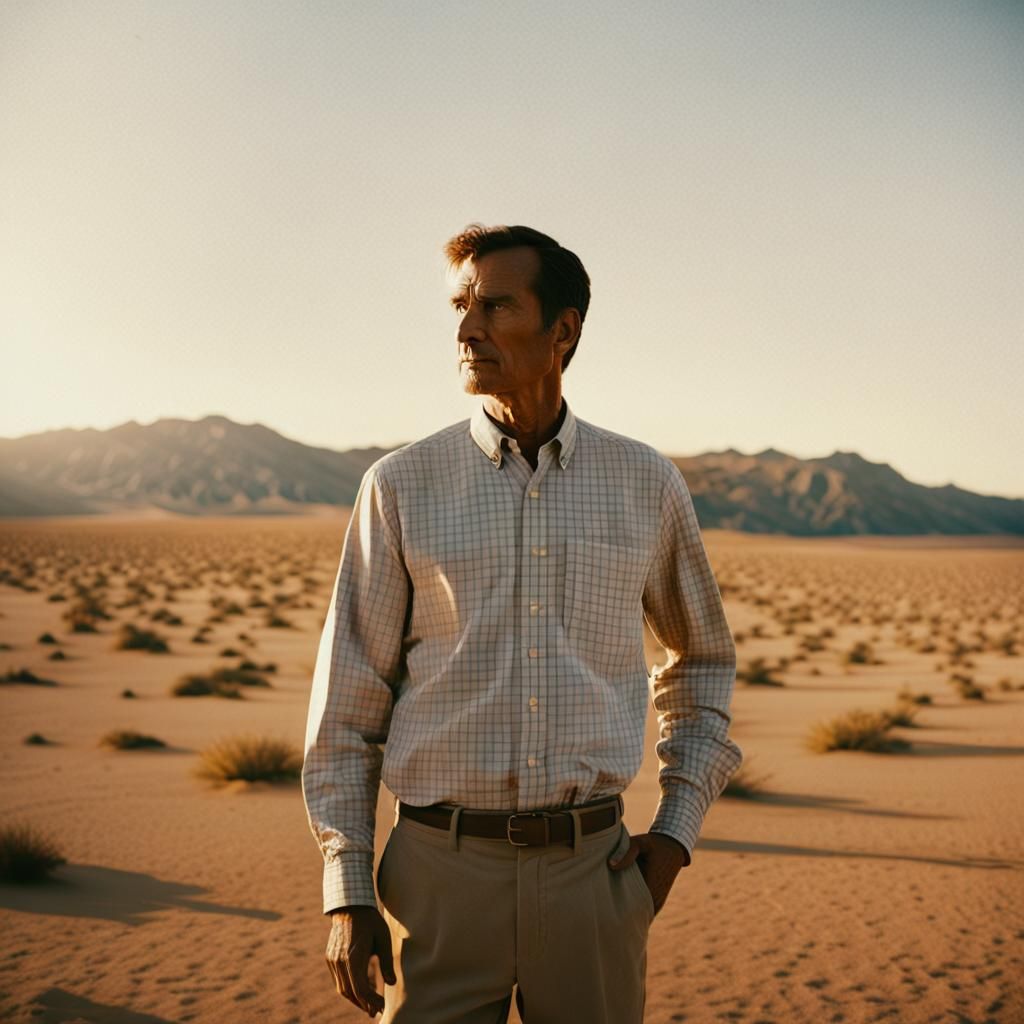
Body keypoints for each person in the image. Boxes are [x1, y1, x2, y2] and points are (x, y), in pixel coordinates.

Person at [302, 224, 742, 1023]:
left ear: (562, 330)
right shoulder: (400, 485)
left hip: (594, 880)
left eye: (496, 305)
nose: (466, 328)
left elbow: (701, 661)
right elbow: (349, 702)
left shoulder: (645, 483)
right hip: (434, 881)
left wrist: (674, 836)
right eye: (460, 306)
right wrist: (347, 887)